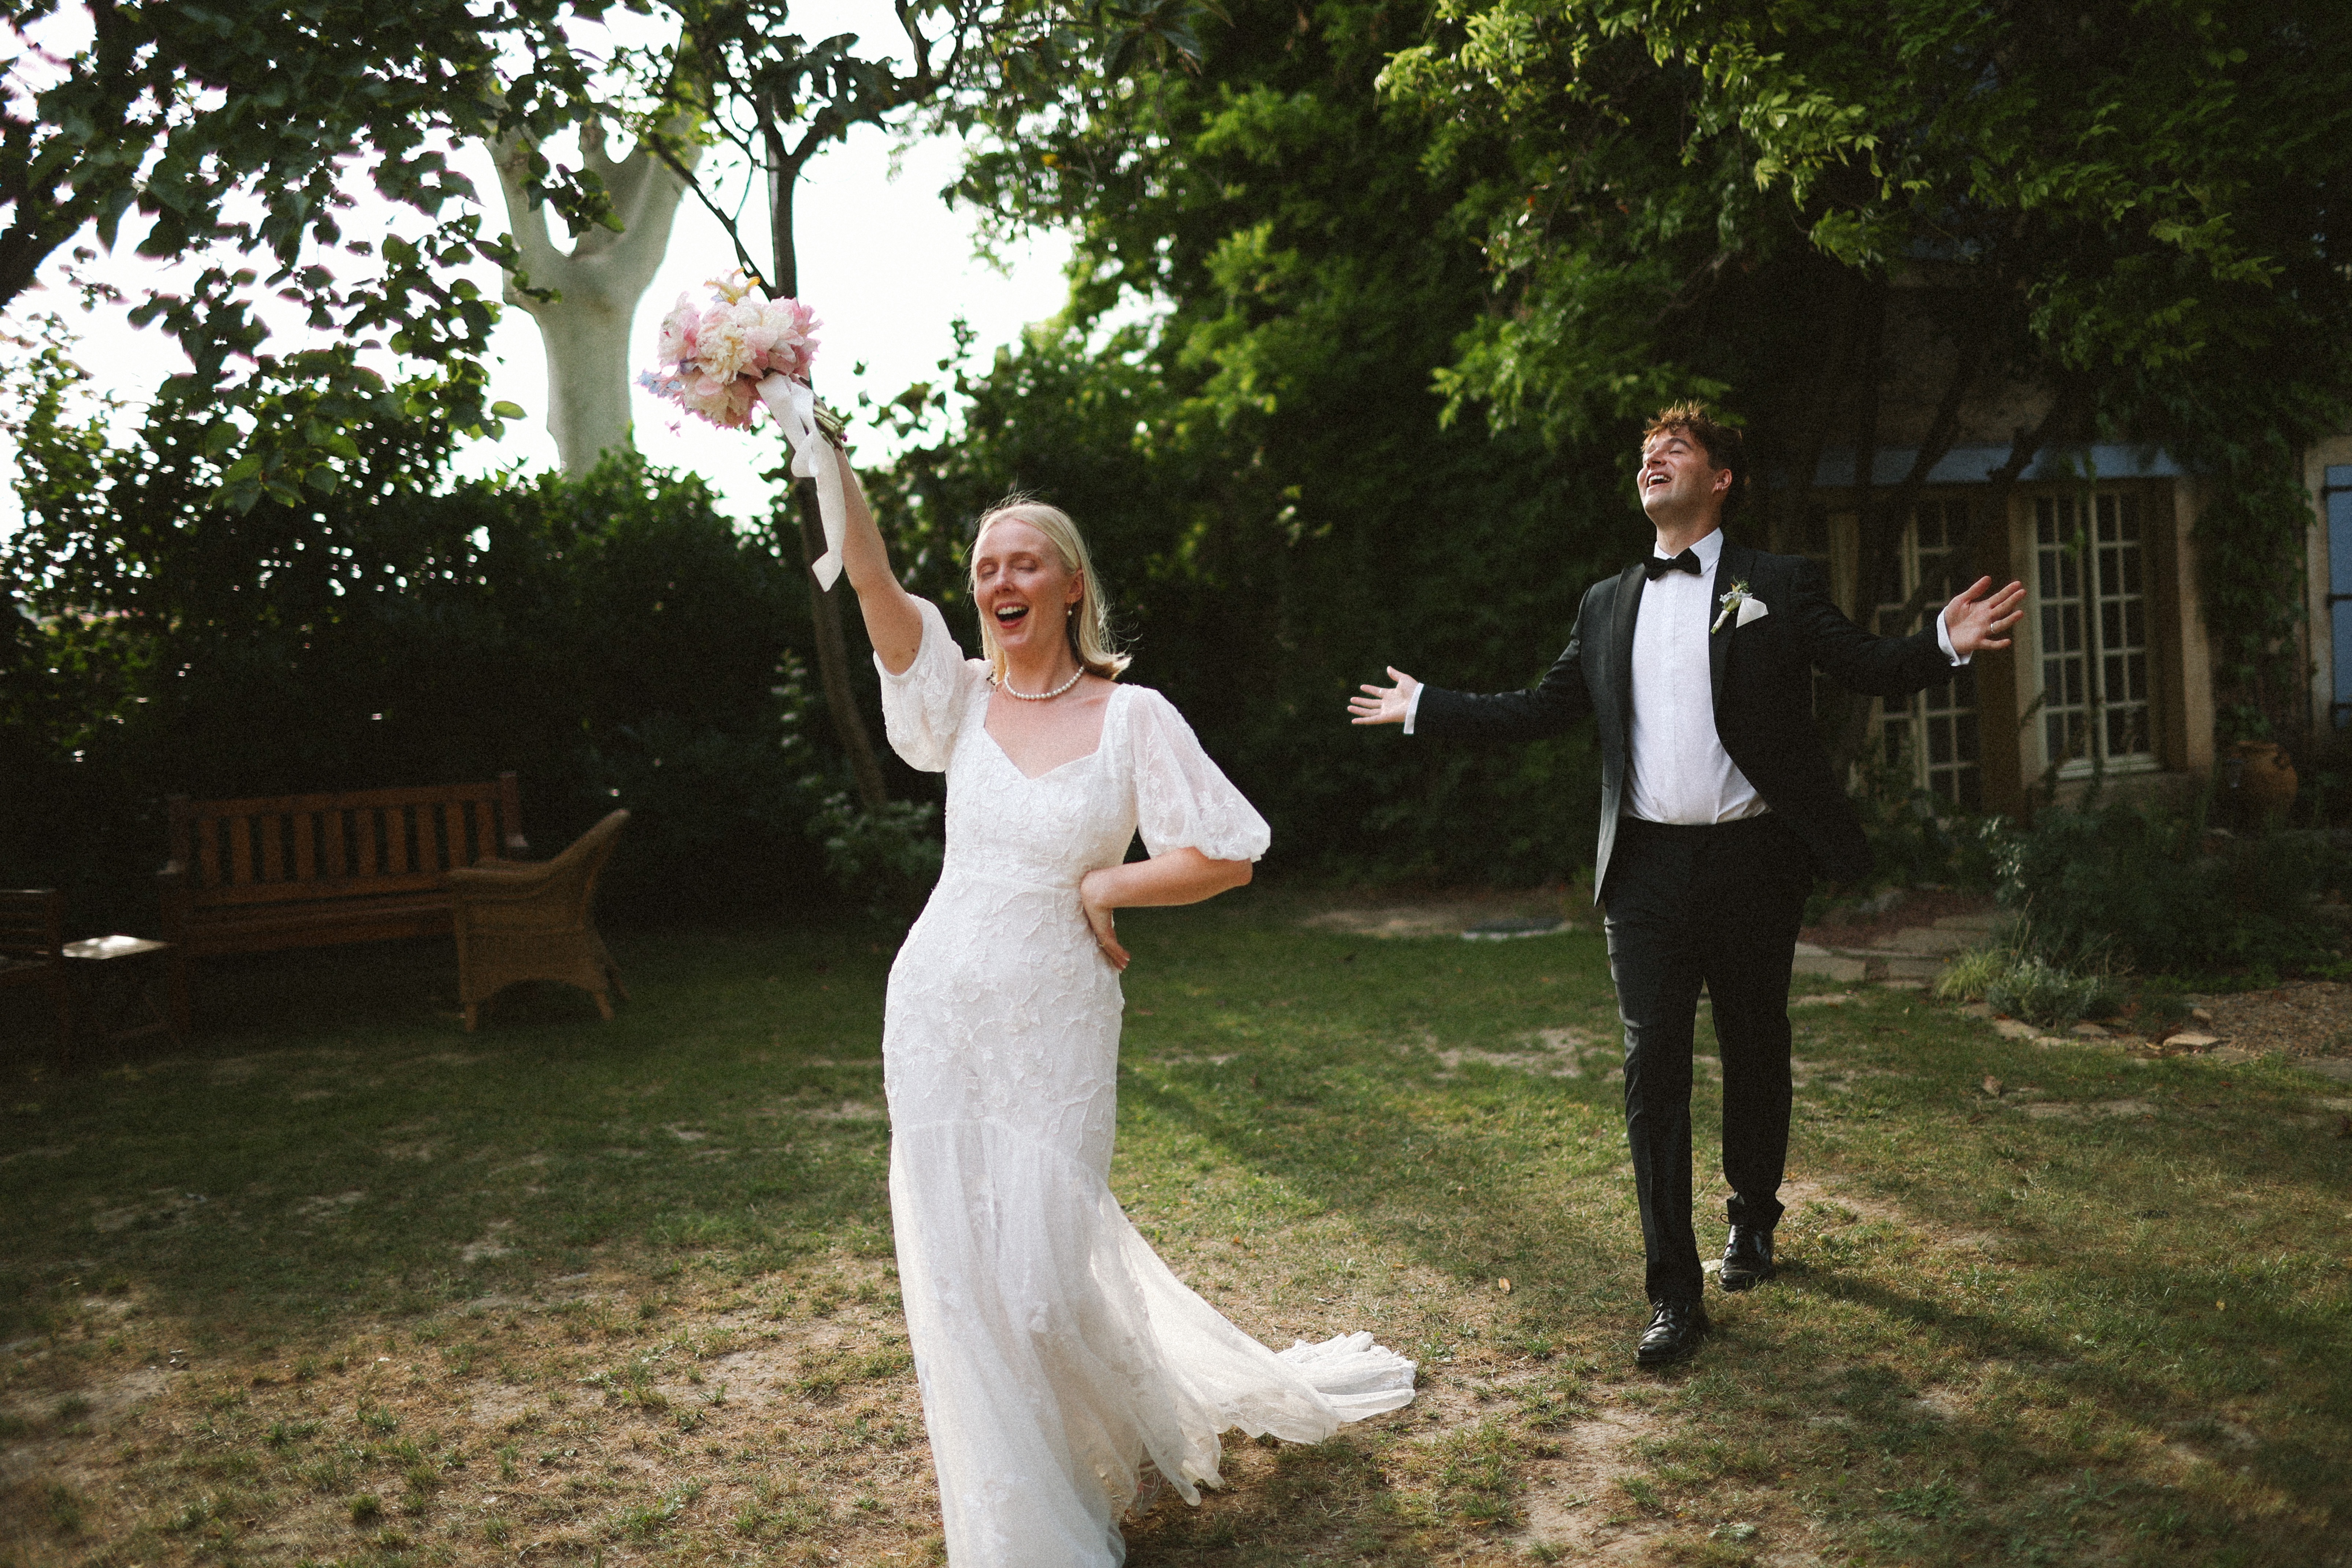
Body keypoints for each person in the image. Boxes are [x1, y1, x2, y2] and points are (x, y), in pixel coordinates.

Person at [1347, 403, 2024, 1367]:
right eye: (1644, 452)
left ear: (1721, 479)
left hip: (1754, 861)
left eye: (1676, 448)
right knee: (1650, 1066)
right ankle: (1674, 1294)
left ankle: (1753, 1214)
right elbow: (1542, 708)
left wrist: (1941, 642)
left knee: (1754, 1042)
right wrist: (1429, 708)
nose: (1653, 459)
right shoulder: (1603, 601)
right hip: (1646, 872)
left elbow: (1865, 667)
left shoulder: (1776, 585)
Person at [833, 469, 1416, 1565]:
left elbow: (1225, 855)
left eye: (1023, 561)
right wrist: (814, 440)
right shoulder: (956, 699)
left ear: (1068, 586)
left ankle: (1114, 1424)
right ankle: (1023, 1512)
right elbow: (869, 580)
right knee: (967, 1282)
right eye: (984, 567)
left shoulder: (1133, 716)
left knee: (1043, 1286)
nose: (1000, 579)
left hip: (1055, 1018)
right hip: (938, 1011)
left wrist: (1106, 887)